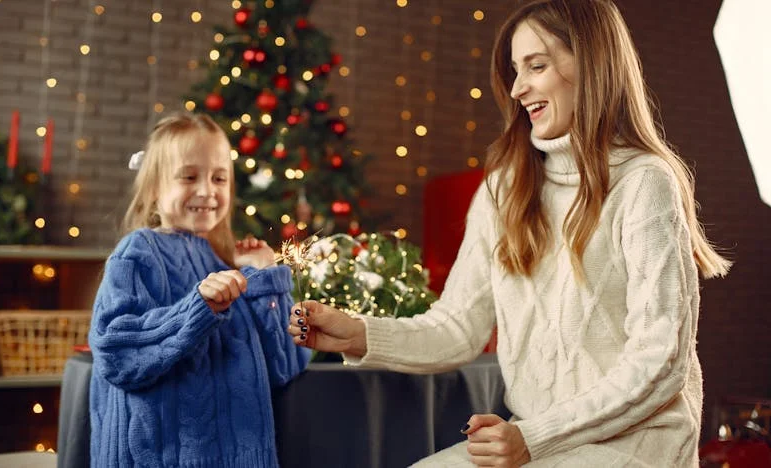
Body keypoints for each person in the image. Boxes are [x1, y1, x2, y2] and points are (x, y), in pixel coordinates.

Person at [287, 0, 731, 466]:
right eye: (515, 70)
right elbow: (457, 327)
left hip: (634, 446)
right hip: (537, 442)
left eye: (536, 66)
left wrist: (534, 438)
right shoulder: (506, 186)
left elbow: (659, 362)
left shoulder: (643, 181)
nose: (518, 88)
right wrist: (358, 335)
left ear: (593, 63)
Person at [88, 112, 310, 468]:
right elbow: (117, 354)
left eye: (219, 178)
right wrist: (196, 308)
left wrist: (266, 279)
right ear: (155, 188)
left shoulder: (226, 267)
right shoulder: (138, 252)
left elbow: (285, 368)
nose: (207, 191)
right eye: (189, 177)